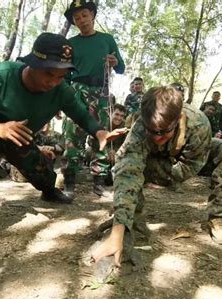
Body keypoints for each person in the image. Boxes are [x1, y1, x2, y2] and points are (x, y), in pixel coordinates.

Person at [0, 32, 125, 256]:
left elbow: (82, 115)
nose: (53, 82)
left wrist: (100, 133)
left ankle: (49, 190)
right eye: (49, 74)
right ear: (32, 63)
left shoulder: (61, 90)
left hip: (20, 138)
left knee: (41, 172)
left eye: (61, 76)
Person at [92, 86, 222, 266]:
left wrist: (168, 173)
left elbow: (189, 167)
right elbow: (127, 172)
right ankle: (131, 218)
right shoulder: (141, 126)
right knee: (125, 165)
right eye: (152, 131)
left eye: (164, 131)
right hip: (159, 159)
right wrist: (119, 227)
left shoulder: (199, 124)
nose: (157, 137)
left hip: (192, 160)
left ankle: (217, 217)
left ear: (178, 119)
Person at [62, 0, 125, 196]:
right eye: (76, 18)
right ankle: (69, 182)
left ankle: (98, 183)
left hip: (102, 91)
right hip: (77, 90)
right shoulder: (71, 43)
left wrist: (114, 62)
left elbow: (121, 68)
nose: (81, 20)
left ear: (92, 15)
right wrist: (62, 97)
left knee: (102, 135)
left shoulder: (106, 39)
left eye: (84, 15)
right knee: (73, 135)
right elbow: (64, 74)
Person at [89, 104, 128, 196]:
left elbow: (126, 144)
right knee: (100, 153)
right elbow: (94, 143)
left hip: (115, 156)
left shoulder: (124, 126)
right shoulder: (102, 122)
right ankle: (98, 185)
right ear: (110, 113)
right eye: (117, 114)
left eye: (122, 116)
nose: (119, 118)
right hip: (98, 151)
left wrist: (116, 151)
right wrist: (108, 150)